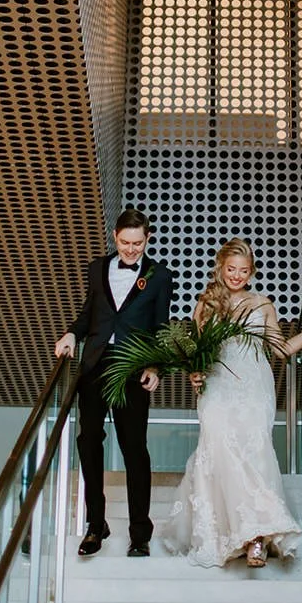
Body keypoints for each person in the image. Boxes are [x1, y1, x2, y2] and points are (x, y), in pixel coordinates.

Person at [160, 239, 302, 568]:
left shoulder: (263, 304)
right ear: (220, 268)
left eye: (243, 271)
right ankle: (223, 532)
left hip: (254, 388)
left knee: (252, 454)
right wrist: (193, 375)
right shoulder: (206, 304)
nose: (237, 276)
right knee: (219, 447)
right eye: (231, 269)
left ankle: (257, 537)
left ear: (251, 272)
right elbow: (197, 353)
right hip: (217, 388)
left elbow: (281, 350)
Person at [54, 208, 174, 558]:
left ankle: (140, 533)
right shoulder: (97, 268)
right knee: (88, 440)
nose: (131, 250)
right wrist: (72, 335)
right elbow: (90, 312)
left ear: (147, 239)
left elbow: (161, 327)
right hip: (95, 364)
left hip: (133, 367)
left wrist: (156, 366)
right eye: (125, 243)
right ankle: (96, 525)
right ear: (115, 237)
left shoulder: (160, 276)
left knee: (134, 449)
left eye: (138, 244)